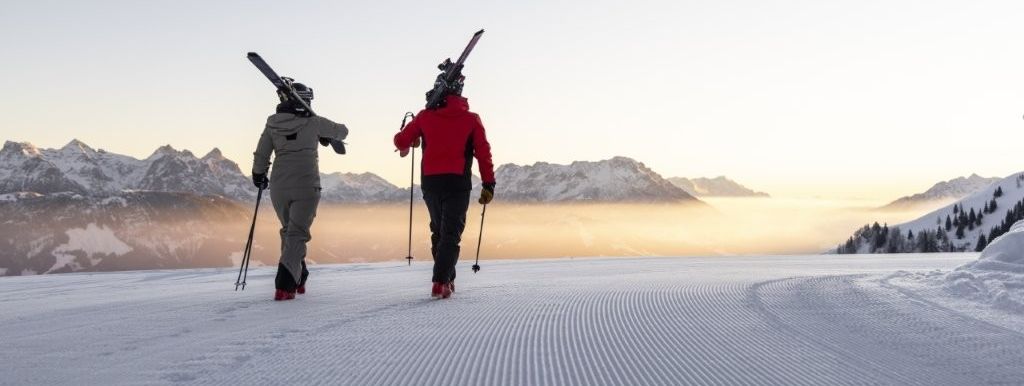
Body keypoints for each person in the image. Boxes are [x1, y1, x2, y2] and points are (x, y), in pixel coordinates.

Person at [394, 81, 495, 299]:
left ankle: (446, 278)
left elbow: (400, 140)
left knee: (439, 232)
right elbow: (483, 153)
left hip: (430, 183)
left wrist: (415, 130)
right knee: (450, 234)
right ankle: (441, 281)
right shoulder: (471, 119)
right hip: (458, 183)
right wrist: (489, 183)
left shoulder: (425, 116)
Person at [252, 81, 348, 301]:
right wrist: (326, 135)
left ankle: (299, 277)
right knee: (297, 234)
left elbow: (262, 154)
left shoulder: (272, 124)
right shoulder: (314, 123)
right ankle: (284, 285)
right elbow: (343, 131)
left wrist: (258, 175)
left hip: (279, 188)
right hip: (306, 186)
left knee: (289, 231)